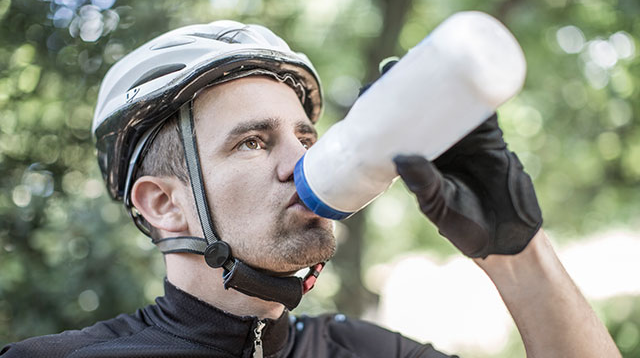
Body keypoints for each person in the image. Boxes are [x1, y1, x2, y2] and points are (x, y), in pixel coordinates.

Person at [0, 20, 620, 358]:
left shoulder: (372, 354)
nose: (299, 162)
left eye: (306, 137)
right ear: (163, 204)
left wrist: (519, 257)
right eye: (252, 141)